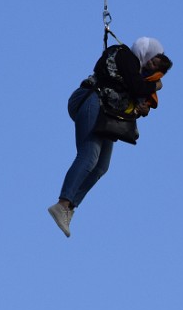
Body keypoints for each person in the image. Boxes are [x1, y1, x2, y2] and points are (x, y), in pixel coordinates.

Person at [48, 37, 172, 237]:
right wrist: (155, 86)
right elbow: (137, 87)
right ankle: (62, 203)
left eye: (155, 65)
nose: (151, 64)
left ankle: (69, 207)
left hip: (105, 111)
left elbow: (134, 92)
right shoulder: (126, 56)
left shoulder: (136, 72)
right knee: (89, 157)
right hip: (90, 99)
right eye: (152, 60)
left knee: (101, 166)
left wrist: (143, 106)